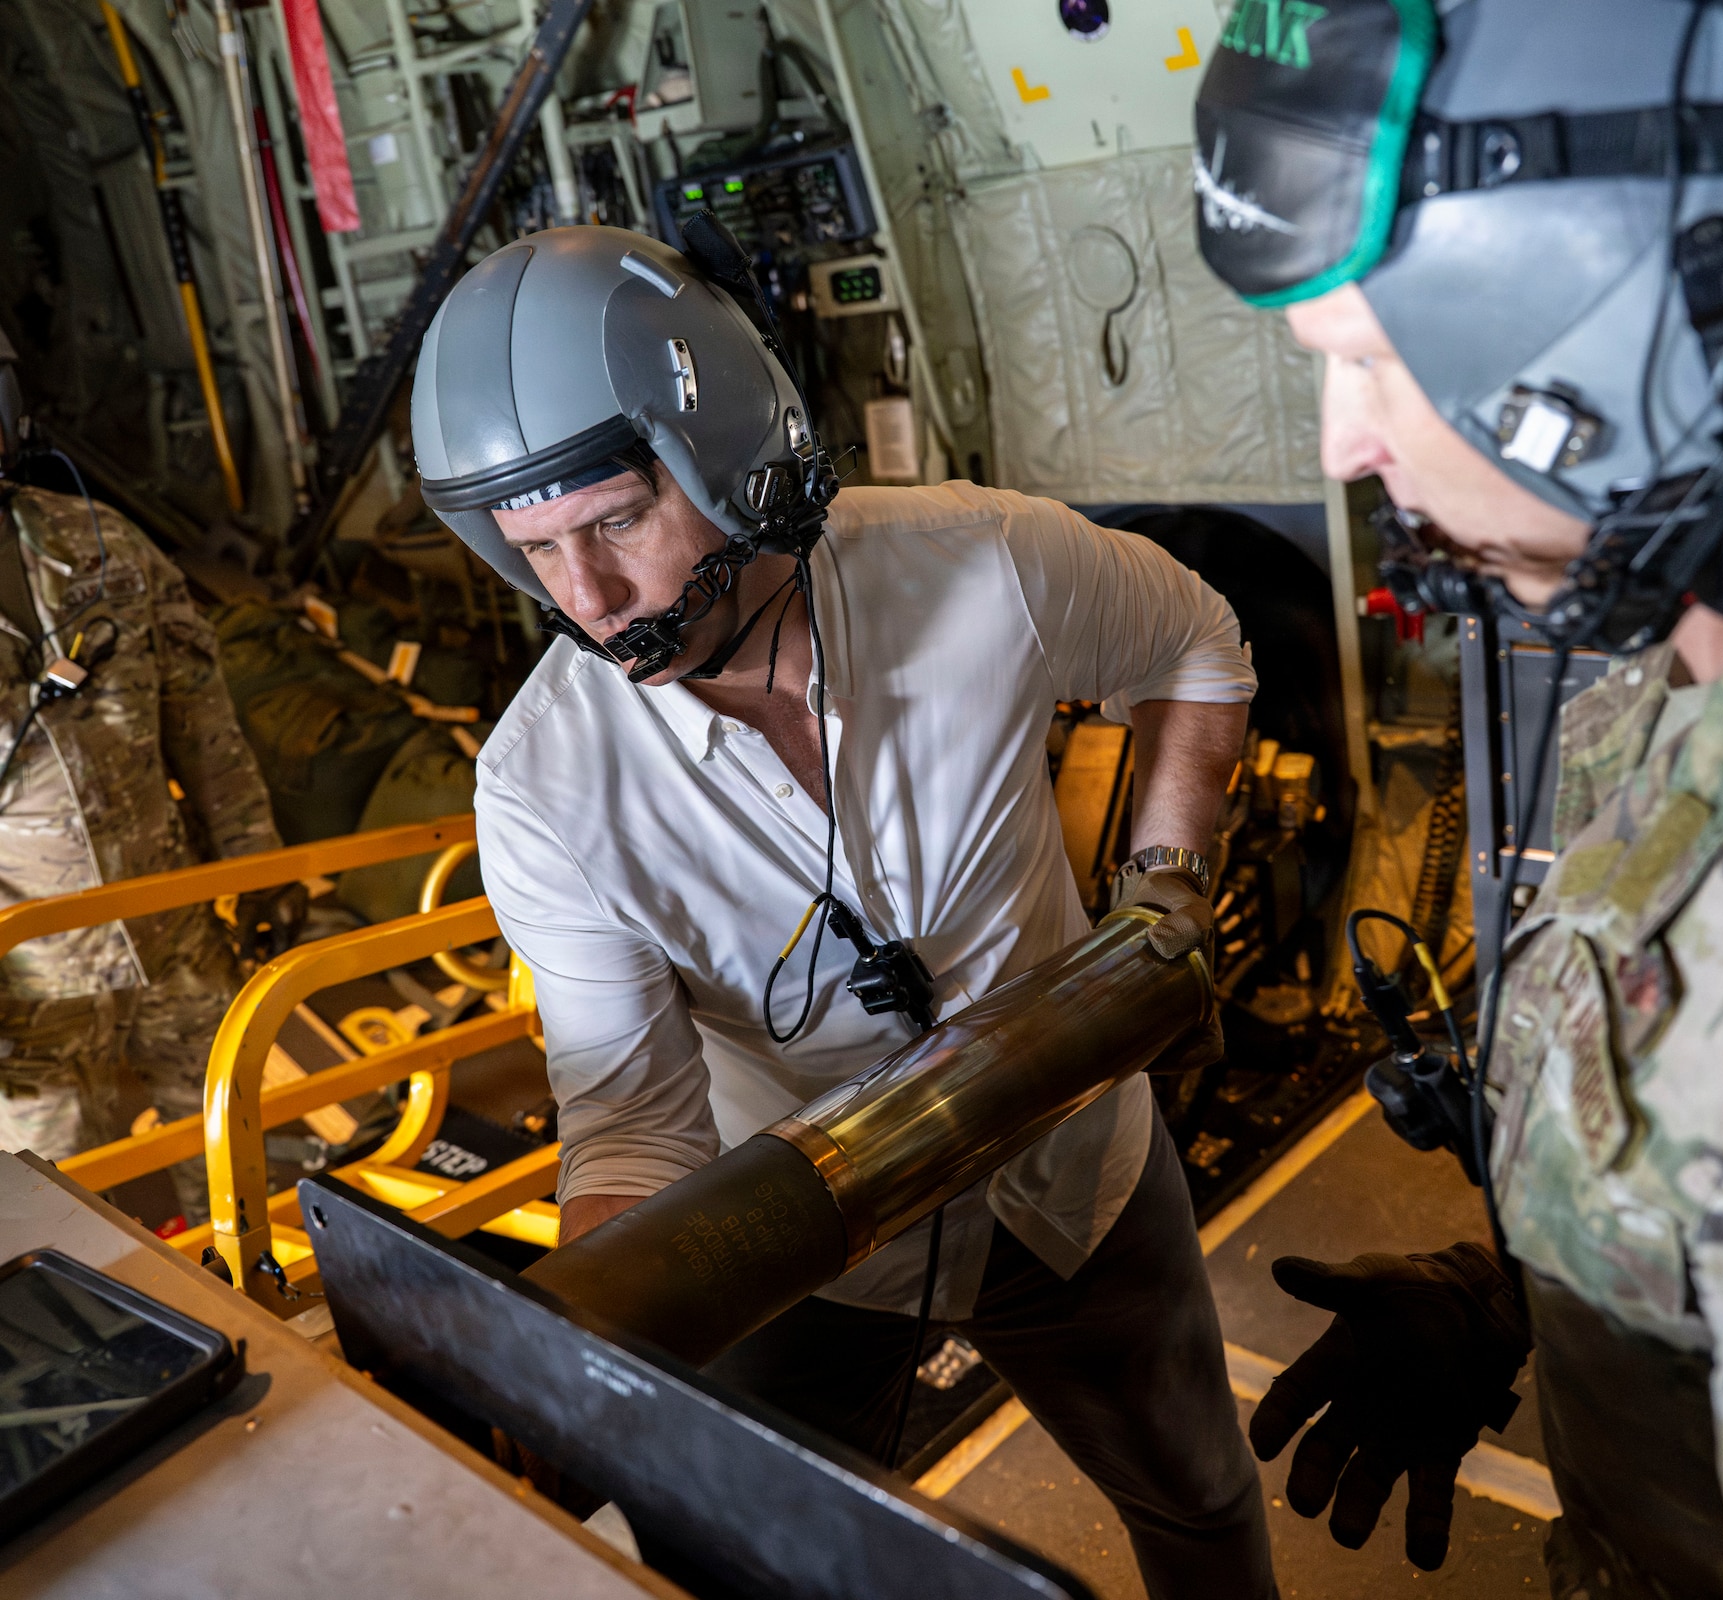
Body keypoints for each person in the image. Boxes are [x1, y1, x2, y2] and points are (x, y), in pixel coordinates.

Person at [1194, 0, 1723, 1595]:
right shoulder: (1722, 590)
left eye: (1367, 357)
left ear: (1621, 316)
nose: (1349, 446)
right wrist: (1537, 1298)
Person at [412, 222, 1276, 1600]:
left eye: (619, 522)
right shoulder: (542, 790)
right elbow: (634, 1118)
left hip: (1077, 1176)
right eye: (538, 553)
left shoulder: (984, 565)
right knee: (749, 1567)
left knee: (1200, 1505)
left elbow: (1196, 643)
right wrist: (591, 1353)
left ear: (731, 447)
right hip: (802, 1244)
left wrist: (1162, 897)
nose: (590, 603)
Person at [0, 329, 300, 1221]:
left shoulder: (100, 546)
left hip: (177, 945)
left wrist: (259, 867)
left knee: (253, 1184)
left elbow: (203, 726)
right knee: (50, 1232)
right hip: (30, 995)